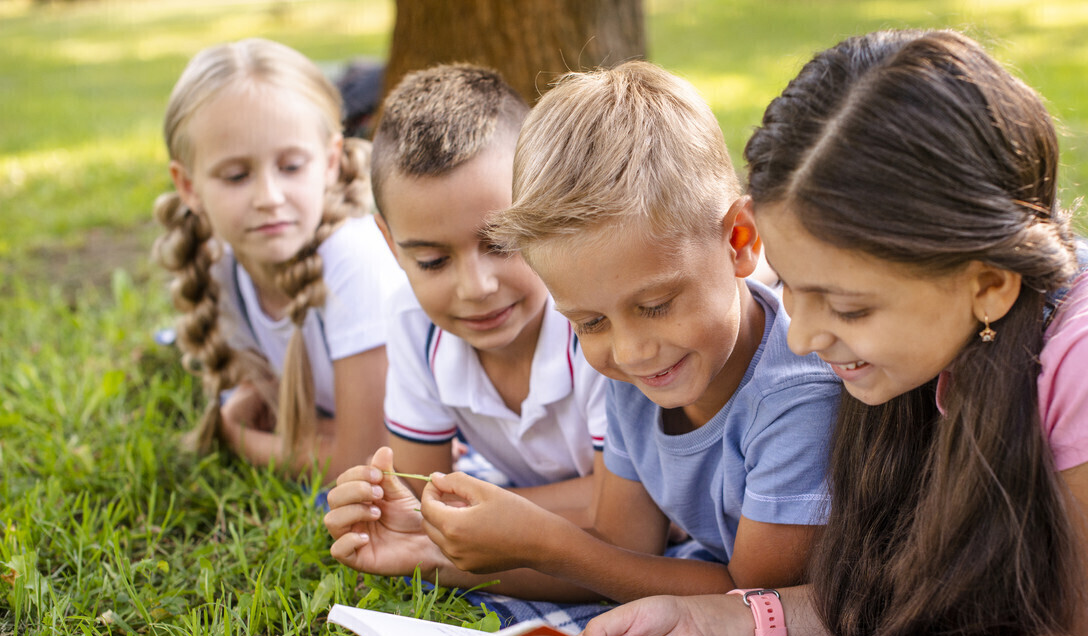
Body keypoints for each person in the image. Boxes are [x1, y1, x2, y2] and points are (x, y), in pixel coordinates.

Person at [582, 29, 1088, 636]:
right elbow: (896, 585)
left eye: (845, 306)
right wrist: (711, 622)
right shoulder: (913, 355)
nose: (804, 337)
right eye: (792, 289)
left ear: (988, 283)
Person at [330, 61, 840, 602]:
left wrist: (548, 543)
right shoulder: (634, 377)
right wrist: (431, 557)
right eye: (590, 322)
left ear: (739, 239)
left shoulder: (795, 397)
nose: (629, 350)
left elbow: (752, 598)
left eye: (656, 304)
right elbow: (622, 555)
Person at [322, 65, 610, 599]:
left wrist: (459, 511)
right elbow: (421, 502)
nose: (476, 287)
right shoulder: (413, 324)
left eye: (500, 242)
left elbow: (624, 519)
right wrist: (407, 511)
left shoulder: (595, 321)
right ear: (389, 244)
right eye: (432, 261)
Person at [153, 38, 402, 482]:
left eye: (290, 167)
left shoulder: (352, 259)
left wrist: (239, 436)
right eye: (236, 175)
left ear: (329, 162)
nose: (269, 198)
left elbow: (366, 461)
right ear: (188, 186)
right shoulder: (223, 267)